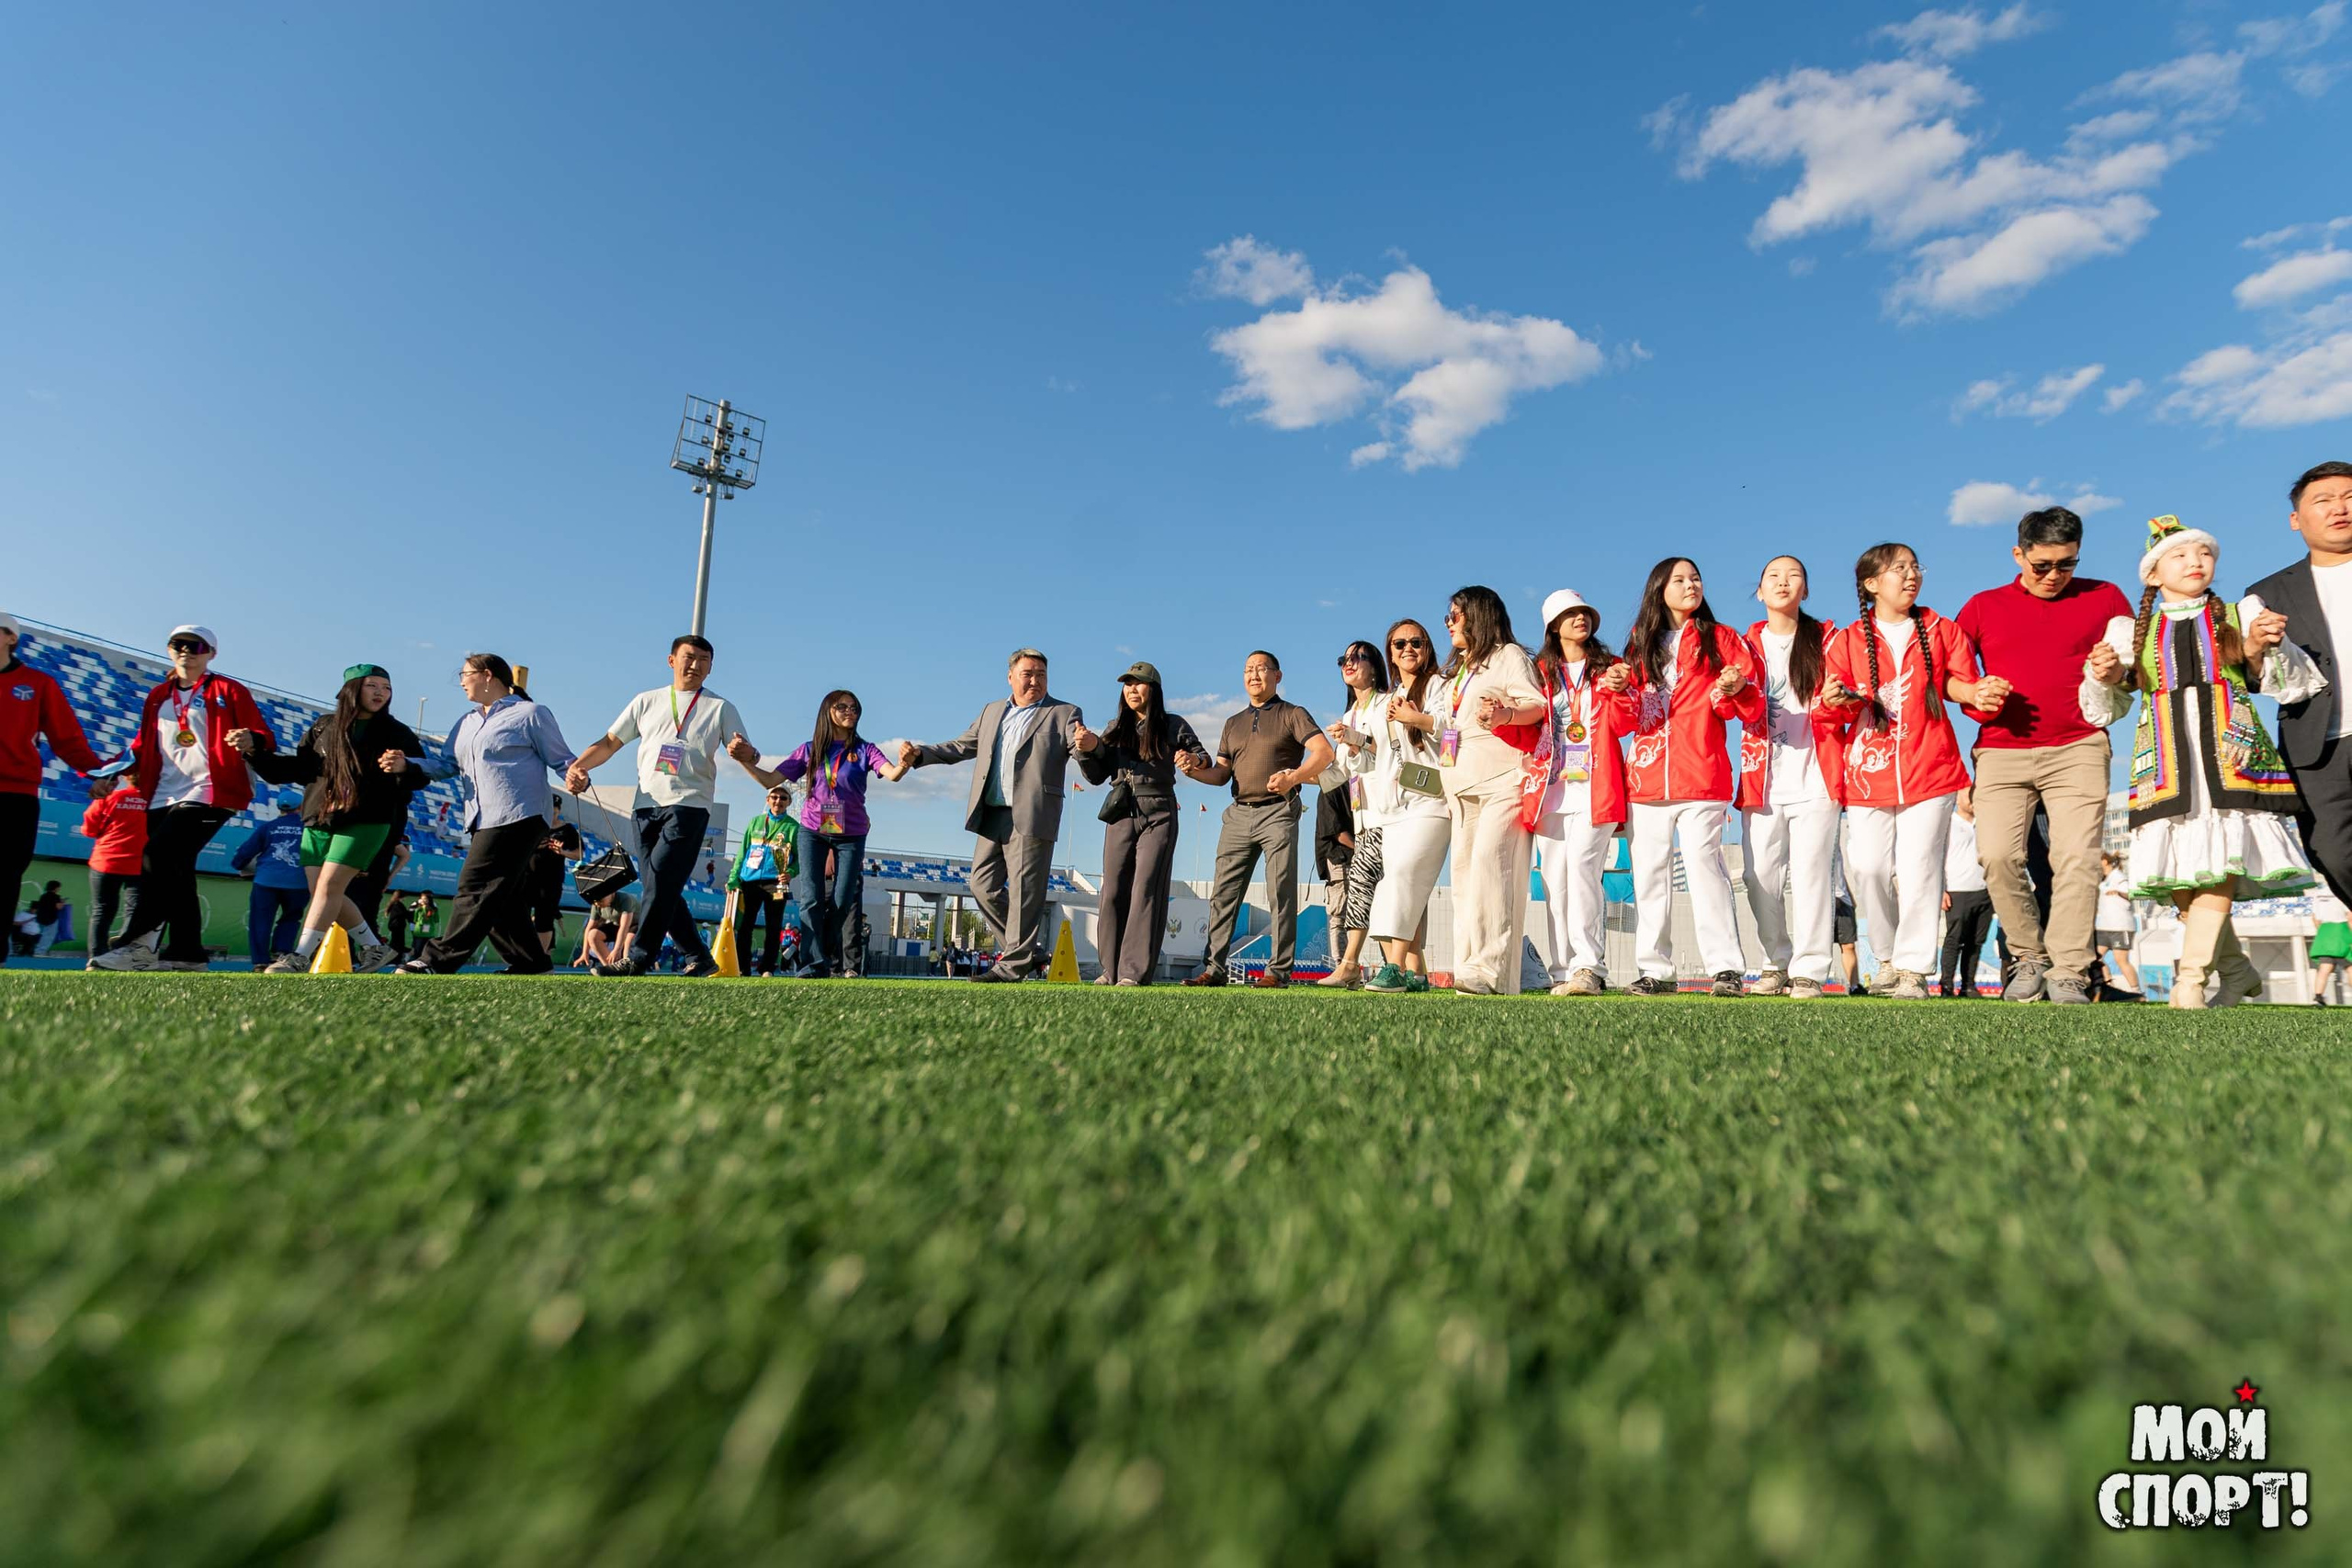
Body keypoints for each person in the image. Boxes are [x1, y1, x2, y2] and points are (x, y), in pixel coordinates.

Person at [2083, 513, 2319, 1009]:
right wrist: (2104, 675)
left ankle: (2189, 982)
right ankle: (2236, 973)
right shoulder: (2131, 631)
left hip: (2230, 752)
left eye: (2205, 553)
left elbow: (2281, 679)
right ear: (2153, 573)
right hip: (2164, 758)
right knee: (2183, 880)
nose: (2196, 562)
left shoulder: (2240, 613)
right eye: (2181, 555)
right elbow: (2111, 703)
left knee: (2216, 868)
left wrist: (2260, 645)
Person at [1957, 507, 2139, 1004]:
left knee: (2076, 859)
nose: (2055, 576)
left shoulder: (2105, 598)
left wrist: (2114, 672)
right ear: (2019, 555)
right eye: (2042, 566)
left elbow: (2136, 672)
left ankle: (2070, 970)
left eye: (2067, 564)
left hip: (2079, 746)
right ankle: (2029, 956)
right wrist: (1973, 692)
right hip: (2000, 751)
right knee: (1997, 856)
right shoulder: (1982, 605)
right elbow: (1948, 679)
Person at [1822, 543, 2006, 1001]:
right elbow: (1833, 704)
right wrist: (1838, 698)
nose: (1910, 576)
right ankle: (1884, 956)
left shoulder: (1943, 629)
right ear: (1871, 584)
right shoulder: (1846, 640)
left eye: (1914, 567)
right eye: (1898, 569)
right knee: (1867, 867)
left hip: (1932, 768)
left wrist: (1976, 691)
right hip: (1869, 773)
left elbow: (1954, 681)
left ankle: (1911, 968)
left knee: (1921, 867)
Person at [566, 635, 756, 978]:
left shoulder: (720, 708)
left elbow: (743, 749)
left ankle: (638, 957)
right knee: (659, 887)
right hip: (645, 805)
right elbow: (610, 742)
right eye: (689, 657)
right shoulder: (646, 701)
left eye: (704, 660)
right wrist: (579, 766)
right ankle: (699, 956)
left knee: (663, 878)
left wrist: (748, 753)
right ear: (672, 660)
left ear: (711, 668)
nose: (695, 665)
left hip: (689, 805)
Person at [93, 626, 277, 972]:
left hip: (212, 790)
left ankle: (138, 944)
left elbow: (265, 735)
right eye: (178, 645)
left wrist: (250, 738)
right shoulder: (157, 696)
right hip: (163, 792)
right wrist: (109, 772)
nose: (186, 652)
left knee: (157, 855)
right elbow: (140, 743)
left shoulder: (228, 689)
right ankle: (186, 953)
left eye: (195, 646)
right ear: (168, 650)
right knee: (177, 870)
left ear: (211, 654)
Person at [1620, 559, 1764, 997]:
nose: (1691, 585)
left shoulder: (1721, 638)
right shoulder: (1640, 643)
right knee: (1648, 874)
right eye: (1680, 580)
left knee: (1705, 867)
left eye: (1696, 578)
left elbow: (1747, 706)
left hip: (1701, 773)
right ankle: (1656, 970)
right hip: (1646, 777)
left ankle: (1725, 970)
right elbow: (1626, 715)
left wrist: (1735, 687)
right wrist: (1616, 686)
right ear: (1658, 589)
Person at [901, 649, 1088, 984]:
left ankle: (1013, 965)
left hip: (1033, 814)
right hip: (992, 812)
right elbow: (960, 747)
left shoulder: (1064, 713)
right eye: (1028, 673)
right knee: (982, 885)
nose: (1035, 680)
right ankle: (1025, 953)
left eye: (1042, 674)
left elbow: (1081, 752)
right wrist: (921, 755)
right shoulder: (991, 712)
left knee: (1024, 892)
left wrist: (1088, 748)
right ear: (1011, 677)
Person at [236, 664, 428, 973]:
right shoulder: (322, 727)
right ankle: (374, 948)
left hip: (369, 819)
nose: (381, 693)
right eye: (372, 685)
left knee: (329, 887)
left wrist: (405, 767)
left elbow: (423, 775)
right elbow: (297, 769)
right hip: (319, 818)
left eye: (386, 687)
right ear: (352, 689)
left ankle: (299, 956)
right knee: (325, 893)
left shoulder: (397, 732)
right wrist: (253, 752)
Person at [401, 653, 579, 976]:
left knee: (475, 885)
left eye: (465, 675)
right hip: (481, 818)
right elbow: (446, 766)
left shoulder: (530, 713)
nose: (461, 682)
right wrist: (408, 766)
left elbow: (562, 758)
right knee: (502, 896)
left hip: (519, 814)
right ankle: (532, 963)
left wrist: (575, 775)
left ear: (486, 675)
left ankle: (437, 959)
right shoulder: (465, 723)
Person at [1181, 651, 1335, 988]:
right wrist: (1194, 772)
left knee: (1280, 892)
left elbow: (1325, 753)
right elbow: (1221, 774)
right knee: (1223, 893)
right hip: (1238, 814)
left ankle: (1277, 972)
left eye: (1262, 669)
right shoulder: (1232, 723)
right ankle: (1214, 969)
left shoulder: (1293, 714)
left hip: (1278, 811)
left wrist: (1293, 778)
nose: (1254, 675)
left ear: (1278, 676)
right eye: (1248, 670)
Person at [1737, 557, 1847, 999]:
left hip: (1817, 777)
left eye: (1794, 576)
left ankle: (1810, 970)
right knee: (1758, 874)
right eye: (1773, 577)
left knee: (1812, 875)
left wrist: (1838, 700)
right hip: (1761, 777)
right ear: (1760, 591)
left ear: (1807, 590)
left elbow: (1846, 701)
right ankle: (1775, 961)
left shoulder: (1829, 640)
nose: (1784, 583)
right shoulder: (1744, 644)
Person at [2248, 462, 2352, 913]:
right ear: (2296, 519)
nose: (2339, 509)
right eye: (2323, 501)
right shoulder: (2267, 592)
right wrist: (2253, 646)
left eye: (2348, 497)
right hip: (2318, 746)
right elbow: (2253, 678)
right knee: (2331, 850)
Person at [746, 690, 908, 978]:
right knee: (811, 898)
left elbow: (892, 773)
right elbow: (771, 779)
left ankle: (824, 956)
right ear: (827, 711)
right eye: (842, 706)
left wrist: (905, 763)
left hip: (852, 835)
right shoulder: (810, 750)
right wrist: (744, 761)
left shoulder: (866, 750)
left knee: (843, 900)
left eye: (855, 707)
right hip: (812, 831)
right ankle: (812, 965)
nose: (850, 711)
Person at [1523, 591, 1633, 997]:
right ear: (1554, 625)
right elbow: (1525, 724)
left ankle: (1588, 966)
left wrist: (1620, 691)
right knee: (1554, 881)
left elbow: (1626, 722)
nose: (1579, 619)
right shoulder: (1538, 673)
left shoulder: (1612, 668)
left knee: (1585, 871)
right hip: (1551, 789)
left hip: (1596, 785)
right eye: (1569, 615)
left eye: (1583, 613)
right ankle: (1560, 969)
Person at [1077, 662, 1205, 986]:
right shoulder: (1114, 727)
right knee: (1113, 890)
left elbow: (1202, 756)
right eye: (1128, 684)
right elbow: (1095, 776)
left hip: (1159, 810)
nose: (1133, 689)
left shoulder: (1173, 724)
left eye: (1140, 684)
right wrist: (1089, 750)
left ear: (1154, 689)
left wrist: (1192, 761)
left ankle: (1133, 973)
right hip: (1120, 811)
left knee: (1146, 889)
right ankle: (1111, 969)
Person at [0, 612, 108, 965]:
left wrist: (95, 773)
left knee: (7, 872)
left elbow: (67, 738)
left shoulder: (38, 683)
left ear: (10, 638)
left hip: (16, 793)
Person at [1350, 619, 1451, 994]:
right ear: (1390, 653)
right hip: (1393, 807)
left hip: (1433, 799)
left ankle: (1391, 967)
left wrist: (1416, 718)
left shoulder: (1440, 686)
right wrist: (1355, 740)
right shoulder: (1386, 698)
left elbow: (1453, 730)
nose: (1407, 649)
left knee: (1404, 876)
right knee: (1407, 885)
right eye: (1398, 644)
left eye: (1416, 642)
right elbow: (1380, 748)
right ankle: (1417, 973)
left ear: (1427, 647)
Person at [1314, 647, 1382, 988]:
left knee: (1380, 889)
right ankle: (1405, 970)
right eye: (1343, 660)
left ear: (1375, 668)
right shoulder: (1350, 713)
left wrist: (1356, 740)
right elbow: (1339, 772)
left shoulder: (1387, 704)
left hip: (1393, 811)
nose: (1349, 664)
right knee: (1370, 890)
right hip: (1364, 818)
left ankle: (1354, 965)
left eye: (1358, 658)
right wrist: (1296, 777)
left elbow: (1393, 750)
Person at [228, 793, 310, 968]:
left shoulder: (269, 827)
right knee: (291, 918)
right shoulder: (308, 828)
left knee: (260, 921)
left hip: (266, 881)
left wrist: (238, 865)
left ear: (279, 807)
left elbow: (246, 851)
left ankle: (260, 961)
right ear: (301, 807)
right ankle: (282, 953)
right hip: (299, 882)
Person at [728, 782, 800, 976]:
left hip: (777, 883)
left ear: (789, 802)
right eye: (774, 797)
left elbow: (800, 861)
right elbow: (742, 853)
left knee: (774, 925)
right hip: (749, 881)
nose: (778, 801)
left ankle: (767, 967)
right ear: (767, 800)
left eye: (783, 798)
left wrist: (790, 873)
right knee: (745, 926)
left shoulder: (794, 827)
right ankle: (742, 967)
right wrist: (734, 878)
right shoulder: (755, 822)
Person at [78, 773, 147, 960]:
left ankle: (96, 957)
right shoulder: (155, 802)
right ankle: (120, 955)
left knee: (101, 911)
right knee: (133, 912)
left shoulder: (111, 797)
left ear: (126, 778)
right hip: (139, 865)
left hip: (106, 861)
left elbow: (88, 829)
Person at [1939, 785, 1994, 998]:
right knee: (1954, 940)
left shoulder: (1985, 824)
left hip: (1984, 890)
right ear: (1957, 797)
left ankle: (1968, 986)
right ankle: (1946, 986)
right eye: (1968, 794)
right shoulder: (1948, 824)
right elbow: (1938, 858)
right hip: (1956, 890)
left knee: (1976, 941)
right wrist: (1941, 890)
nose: (1972, 799)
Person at [2093, 853, 2143, 995]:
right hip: (2104, 926)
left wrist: (2119, 893)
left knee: (2120, 959)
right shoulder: (2103, 881)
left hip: (2120, 925)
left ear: (2104, 861)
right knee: (2096, 957)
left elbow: (2130, 893)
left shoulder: (2119, 877)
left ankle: (2136, 990)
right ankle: (2108, 983)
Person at [575, 888, 639, 968]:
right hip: (617, 925)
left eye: (601, 900)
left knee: (629, 939)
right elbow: (589, 928)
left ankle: (628, 967)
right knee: (593, 935)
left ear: (612, 893)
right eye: (595, 901)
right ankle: (610, 968)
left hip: (636, 925)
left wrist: (617, 950)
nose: (598, 903)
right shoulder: (596, 904)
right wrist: (585, 952)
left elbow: (624, 927)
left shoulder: (625, 899)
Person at [2311, 891, 2349, 1005]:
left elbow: (2315, 918)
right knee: (2350, 966)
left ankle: (2318, 997)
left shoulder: (2319, 894)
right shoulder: (2343, 890)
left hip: (2325, 930)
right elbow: (2350, 916)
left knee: (2324, 968)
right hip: (2342, 929)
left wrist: (2322, 933)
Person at [29, 880, 64, 955]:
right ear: (56, 888)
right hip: (51, 918)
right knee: (48, 936)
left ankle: (36, 950)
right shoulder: (56, 897)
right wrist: (62, 902)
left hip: (41, 918)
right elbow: (59, 907)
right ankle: (40, 951)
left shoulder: (43, 896)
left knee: (41, 934)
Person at [384, 883, 413, 961]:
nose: (404, 899)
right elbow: (404, 914)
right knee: (397, 943)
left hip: (396, 926)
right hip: (397, 927)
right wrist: (413, 912)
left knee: (396, 942)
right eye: (404, 897)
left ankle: (396, 956)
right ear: (400, 897)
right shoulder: (398, 905)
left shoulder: (395, 904)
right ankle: (396, 958)